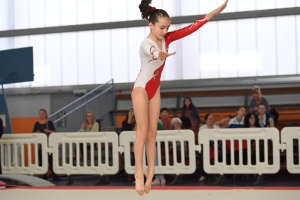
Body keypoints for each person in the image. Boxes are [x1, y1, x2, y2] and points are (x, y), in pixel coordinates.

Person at [131, 0, 228, 195]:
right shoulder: (146, 44)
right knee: (142, 132)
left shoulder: (167, 38)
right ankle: (138, 174)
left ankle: (151, 172)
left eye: (167, 27)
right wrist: (161, 54)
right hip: (141, 89)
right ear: (151, 25)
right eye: (161, 27)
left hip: (155, 89)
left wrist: (213, 13)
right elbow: (153, 52)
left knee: (153, 133)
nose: (165, 31)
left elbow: (191, 28)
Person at [32, 109, 59, 181]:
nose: (41, 115)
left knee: (51, 160)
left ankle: (54, 175)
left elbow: (54, 132)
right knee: (41, 160)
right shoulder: (37, 123)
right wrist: (38, 132)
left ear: (45, 114)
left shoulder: (49, 123)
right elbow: (33, 133)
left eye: (42, 113)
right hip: (40, 145)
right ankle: (43, 175)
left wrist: (48, 131)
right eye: (40, 113)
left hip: (49, 144)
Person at [198, 114, 220, 182]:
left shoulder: (217, 128)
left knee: (220, 156)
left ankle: (217, 175)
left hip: (215, 146)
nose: (211, 120)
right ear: (206, 120)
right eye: (210, 118)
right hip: (205, 146)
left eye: (212, 118)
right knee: (201, 155)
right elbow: (202, 138)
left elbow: (219, 138)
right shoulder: (202, 128)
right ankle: (202, 175)